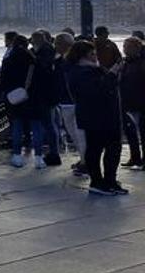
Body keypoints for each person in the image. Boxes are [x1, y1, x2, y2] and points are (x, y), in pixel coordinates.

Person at [69, 40, 128, 196]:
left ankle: (110, 181)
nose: (95, 57)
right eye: (91, 54)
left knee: (110, 149)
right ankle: (98, 181)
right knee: (98, 149)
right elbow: (97, 90)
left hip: (105, 116)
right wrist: (113, 72)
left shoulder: (90, 70)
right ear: (82, 56)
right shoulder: (80, 72)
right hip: (96, 117)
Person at [0, 33, 46, 169]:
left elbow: (4, 80)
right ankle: (38, 158)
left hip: (16, 98)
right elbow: (41, 80)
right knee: (37, 128)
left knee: (17, 127)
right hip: (33, 98)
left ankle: (17, 156)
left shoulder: (8, 60)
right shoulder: (33, 59)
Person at [53, 32, 87, 175]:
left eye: (57, 43)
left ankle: (86, 163)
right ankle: (83, 159)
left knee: (79, 134)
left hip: (73, 102)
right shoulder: (66, 60)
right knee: (76, 134)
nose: (55, 46)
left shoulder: (70, 62)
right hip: (68, 101)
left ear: (64, 45)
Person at [29, 30, 62, 166]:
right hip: (49, 95)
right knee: (50, 124)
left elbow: (43, 69)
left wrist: (33, 57)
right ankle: (53, 152)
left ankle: (54, 153)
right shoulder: (49, 50)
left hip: (44, 95)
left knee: (48, 124)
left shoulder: (45, 52)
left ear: (37, 40)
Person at [120, 36, 145, 170]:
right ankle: (135, 157)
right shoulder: (126, 62)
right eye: (124, 47)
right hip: (128, 101)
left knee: (142, 131)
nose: (125, 50)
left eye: (127, 47)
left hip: (140, 101)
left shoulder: (140, 63)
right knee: (130, 132)